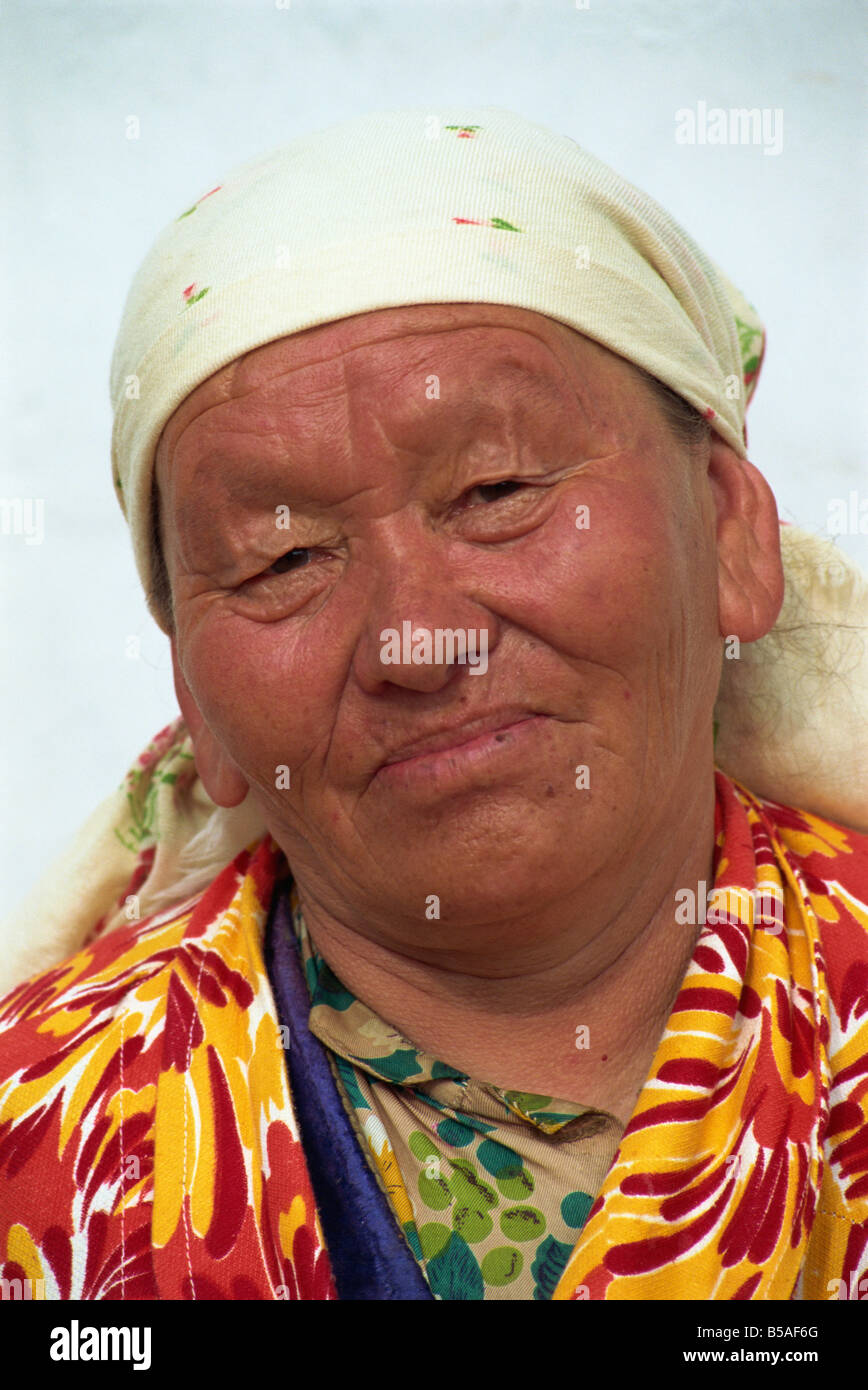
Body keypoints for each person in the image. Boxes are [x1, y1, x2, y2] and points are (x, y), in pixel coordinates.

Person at [1, 107, 867, 1302]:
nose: (418, 633)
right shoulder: (38, 1148)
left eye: (496, 487)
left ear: (728, 528)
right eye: (282, 558)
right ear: (191, 696)